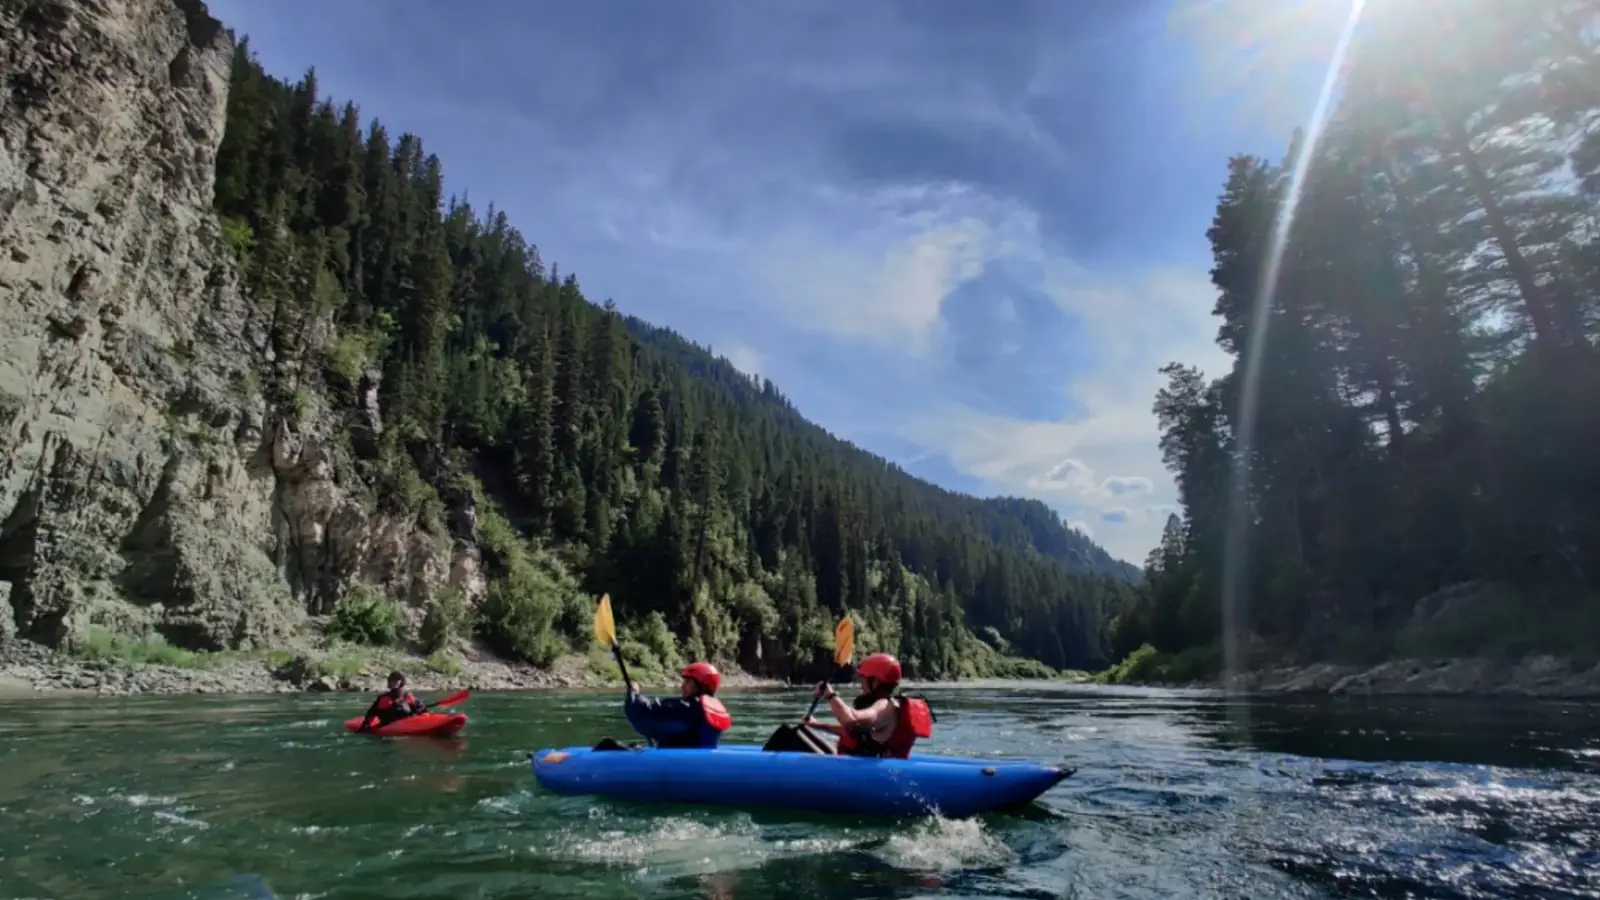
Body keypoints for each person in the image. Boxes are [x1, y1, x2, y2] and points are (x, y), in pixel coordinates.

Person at [804, 652, 933, 758]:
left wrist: (830, 695)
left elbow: (850, 719)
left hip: (871, 776)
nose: (861, 684)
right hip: (883, 771)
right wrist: (817, 725)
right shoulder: (893, 706)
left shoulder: (883, 707)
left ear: (875, 682)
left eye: (863, 679)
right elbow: (853, 731)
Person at [622, 661, 732, 749]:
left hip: (681, 765)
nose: (682, 686)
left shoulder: (688, 708)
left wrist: (634, 694)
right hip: (698, 760)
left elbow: (641, 713)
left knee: (607, 745)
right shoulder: (706, 708)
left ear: (701, 686)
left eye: (688, 682)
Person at [357, 671, 426, 732]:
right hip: (388, 728)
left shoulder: (407, 696)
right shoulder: (384, 698)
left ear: (401, 682)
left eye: (397, 680)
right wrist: (366, 727)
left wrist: (421, 711)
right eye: (393, 680)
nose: (395, 682)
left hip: (407, 723)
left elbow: (421, 708)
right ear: (389, 682)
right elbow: (370, 714)